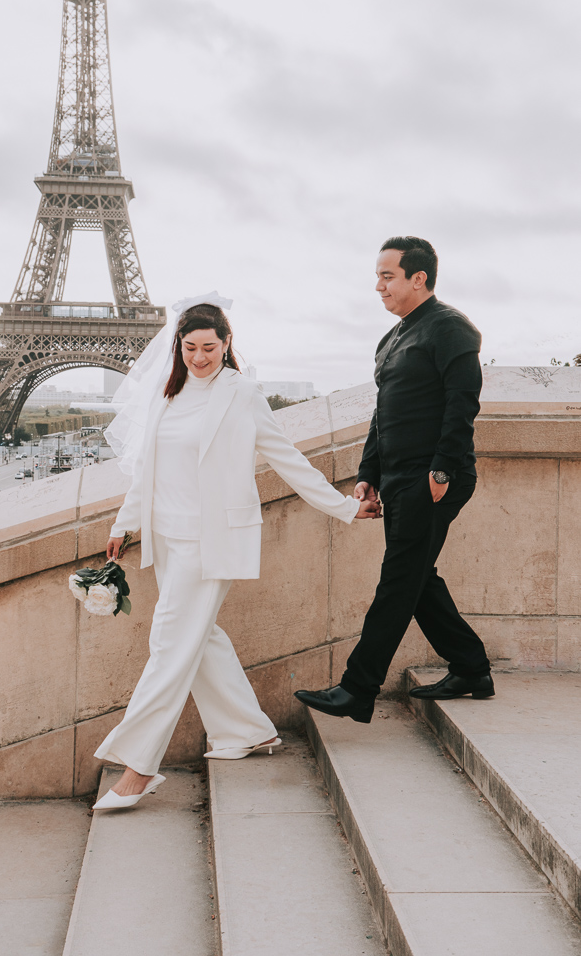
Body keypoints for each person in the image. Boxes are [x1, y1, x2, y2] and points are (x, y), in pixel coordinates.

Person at [92, 293, 381, 811]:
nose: (199, 358)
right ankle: (245, 731)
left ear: (227, 345)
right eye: (190, 348)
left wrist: (340, 507)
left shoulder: (242, 394)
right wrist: (124, 524)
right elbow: (148, 471)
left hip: (212, 541)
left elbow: (286, 458)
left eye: (209, 347)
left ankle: (139, 766)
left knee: (170, 644)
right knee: (200, 639)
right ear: (177, 347)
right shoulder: (166, 394)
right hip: (170, 538)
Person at [295, 236, 493, 725]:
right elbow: (382, 416)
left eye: (387, 276)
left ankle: (357, 689)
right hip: (400, 478)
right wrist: (369, 473)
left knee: (398, 581)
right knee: (416, 578)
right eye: (379, 276)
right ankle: (471, 668)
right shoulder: (393, 338)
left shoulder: (451, 328)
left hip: (432, 478)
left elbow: (463, 402)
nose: (378, 286)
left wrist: (442, 470)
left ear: (418, 278)